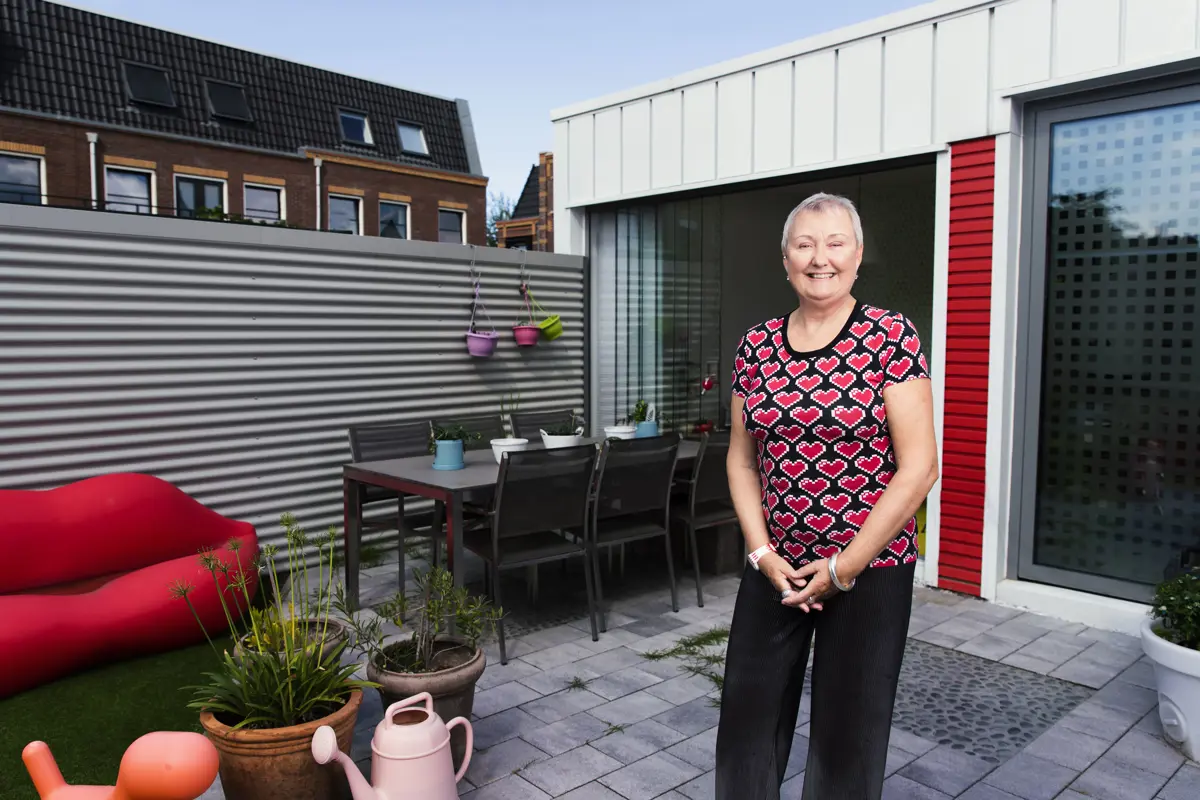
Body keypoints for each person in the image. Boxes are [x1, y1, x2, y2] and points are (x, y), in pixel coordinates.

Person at [714, 192, 939, 799]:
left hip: (870, 569)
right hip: (776, 568)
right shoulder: (756, 346)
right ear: (785, 258)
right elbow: (741, 459)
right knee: (746, 727)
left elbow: (920, 467)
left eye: (835, 243)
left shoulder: (889, 336)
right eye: (805, 244)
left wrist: (844, 568)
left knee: (848, 742)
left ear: (858, 256)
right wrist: (761, 553)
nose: (821, 258)